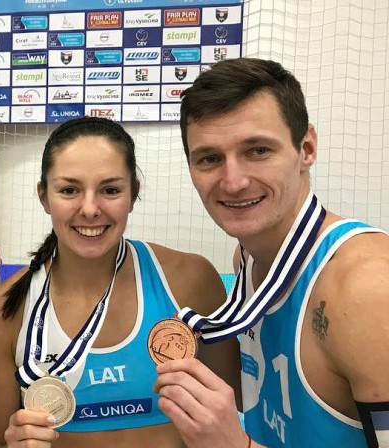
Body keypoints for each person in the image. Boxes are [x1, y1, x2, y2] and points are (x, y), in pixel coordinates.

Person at [153, 58, 389, 448]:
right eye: (210, 158)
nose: (233, 182)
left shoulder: (365, 290)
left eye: (258, 150)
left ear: (306, 148)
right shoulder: (247, 260)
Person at [0, 117, 241, 448]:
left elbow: (237, 416)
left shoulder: (190, 281)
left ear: (134, 193)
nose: (90, 209)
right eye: (69, 190)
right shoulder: (4, 308)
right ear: (43, 196)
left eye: (110, 190)